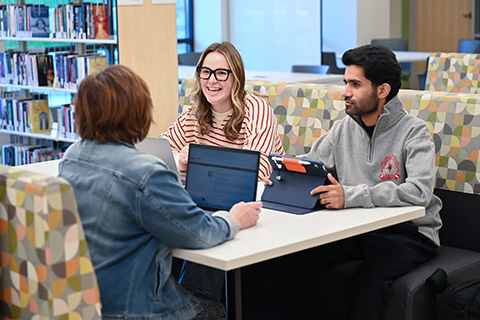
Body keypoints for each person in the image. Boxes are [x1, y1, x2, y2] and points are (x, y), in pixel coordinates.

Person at [57, 64, 262, 320]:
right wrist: (234, 219)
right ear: (139, 111)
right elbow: (200, 233)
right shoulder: (145, 172)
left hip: (88, 301)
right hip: (136, 308)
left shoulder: (72, 156)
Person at [261, 44, 443, 320]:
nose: (345, 92)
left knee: (370, 280)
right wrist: (282, 173)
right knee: (293, 260)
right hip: (357, 229)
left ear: (382, 90)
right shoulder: (344, 127)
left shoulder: (413, 131)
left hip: (409, 233)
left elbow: (418, 192)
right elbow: (313, 163)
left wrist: (351, 196)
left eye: (355, 84)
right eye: (346, 82)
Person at [163, 41, 285, 181]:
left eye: (221, 73)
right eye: (206, 72)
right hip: (208, 192)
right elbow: (161, 152)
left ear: (236, 77)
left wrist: (201, 163)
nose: (212, 80)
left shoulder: (257, 109)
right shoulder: (194, 111)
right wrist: (180, 161)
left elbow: (260, 169)